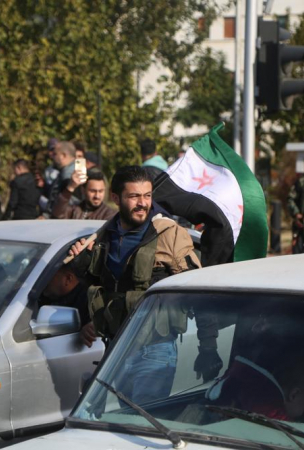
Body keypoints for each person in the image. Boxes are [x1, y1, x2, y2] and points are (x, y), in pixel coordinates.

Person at [68, 166, 204, 403]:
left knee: (141, 422)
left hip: (155, 349)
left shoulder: (168, 235)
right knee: (121, 421)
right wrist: (81, 263)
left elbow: (198, 292)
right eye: (134, 196)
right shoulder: (104, 236)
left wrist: (208, 348)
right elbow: (101, 286)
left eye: (147, 195)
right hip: (116, 347)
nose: (143, 203)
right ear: (116, 198)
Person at [40, 264, 95, 347]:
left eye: (48, 277)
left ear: (68, 279)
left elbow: (100, 323)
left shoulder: (89, 299)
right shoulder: (43, 297)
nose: (43, 281)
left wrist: (89, 330)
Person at [45, 141, 78, 217]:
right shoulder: (65, 172)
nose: (52, 156)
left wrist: (47, 215)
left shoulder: (68, 176)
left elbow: (68, 201)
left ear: (63, 155)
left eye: (55, 154)